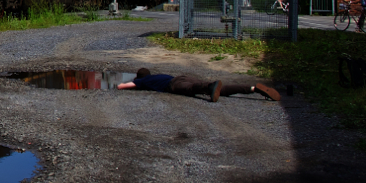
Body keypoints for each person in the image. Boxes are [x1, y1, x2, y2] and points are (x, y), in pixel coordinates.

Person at [116, 68, 280, 102]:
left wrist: (118, 86)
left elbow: (123, 86)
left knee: (190, 90)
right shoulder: (158, 75)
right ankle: (252, 89)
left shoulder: (143, 81)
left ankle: (210, 88)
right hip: (182, 75)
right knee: (221, 90)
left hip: (174, 84)